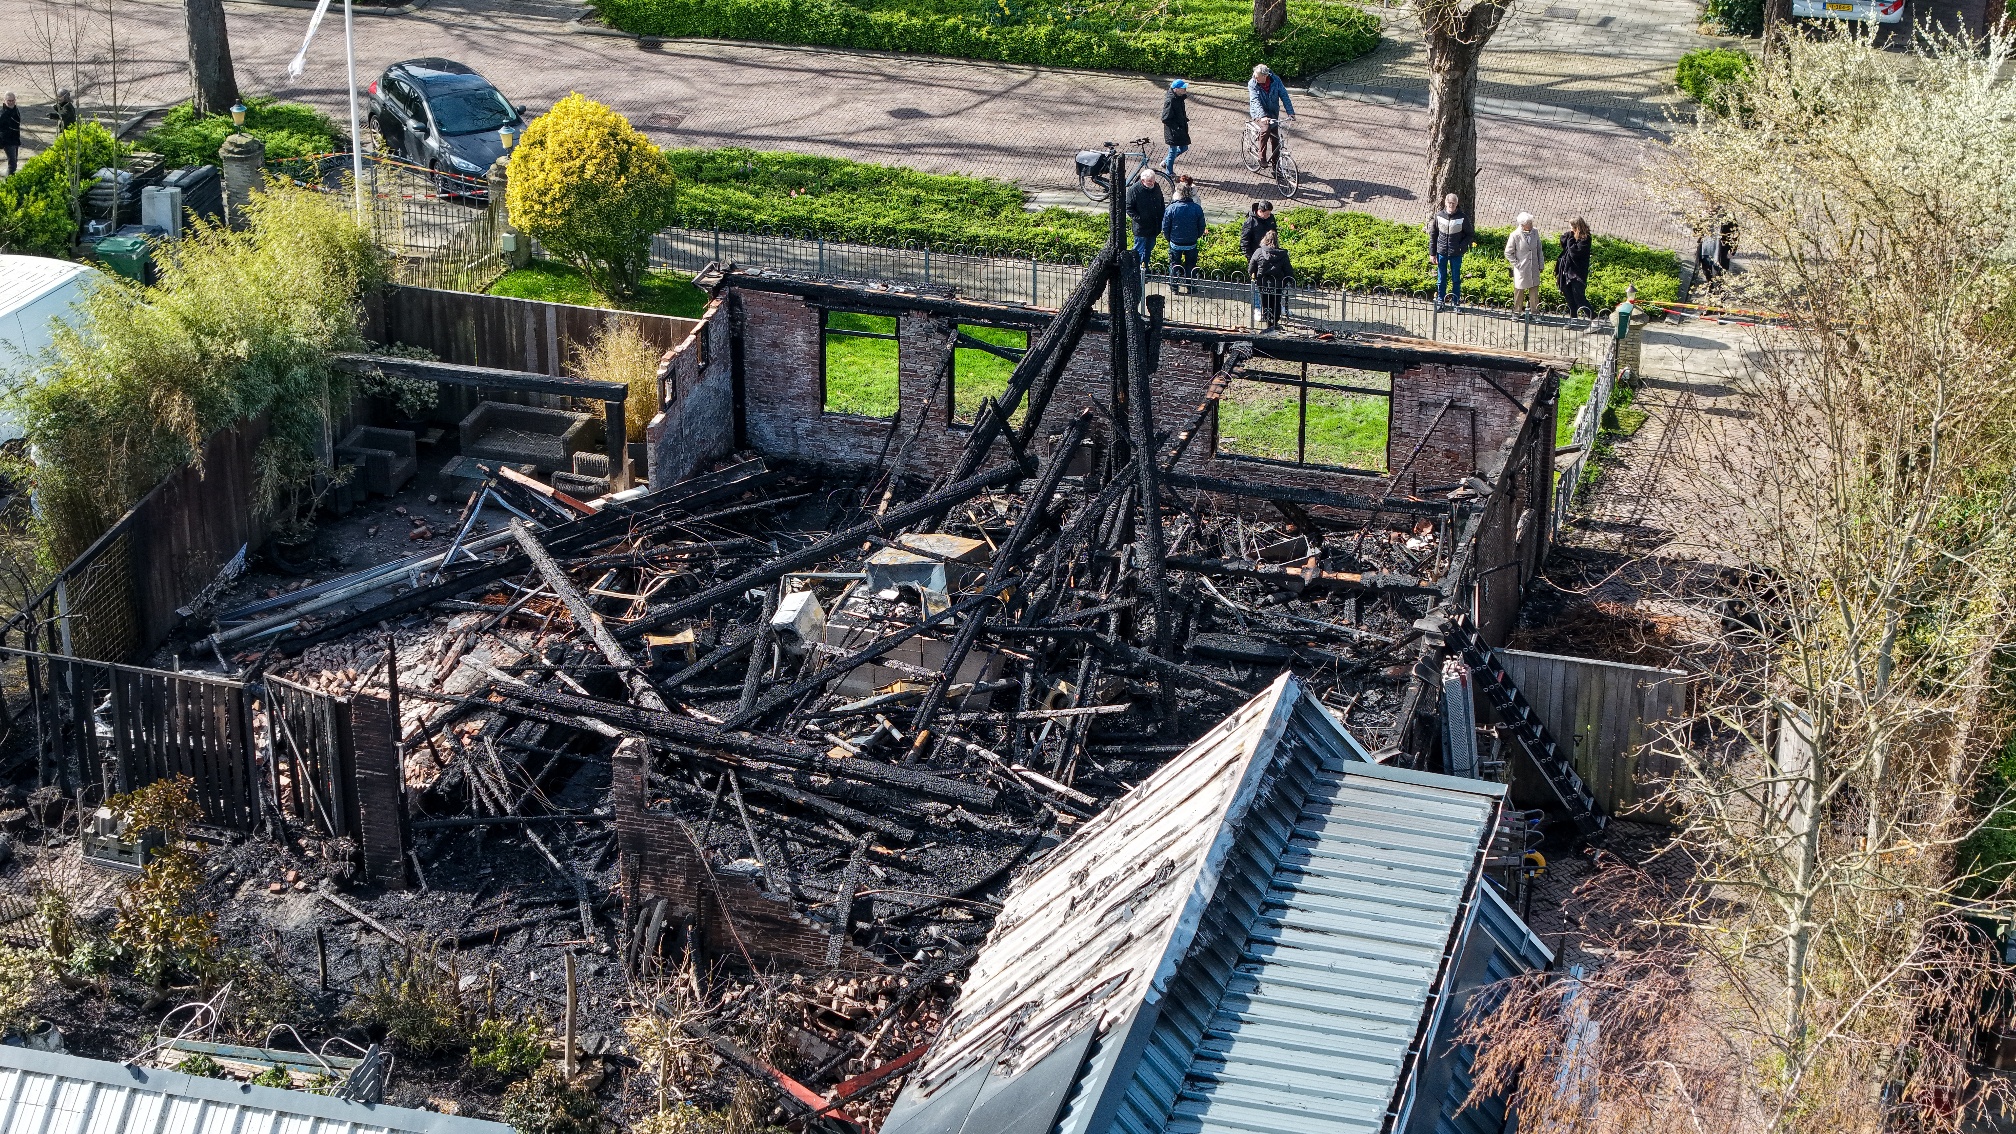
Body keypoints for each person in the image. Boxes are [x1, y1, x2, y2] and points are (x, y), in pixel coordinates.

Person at [1427, 193, 1473, 310]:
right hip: (1441, 252)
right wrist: (1432, 253)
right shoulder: (1439, 216)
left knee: (1456, 279)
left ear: (1457, 204)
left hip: (1456, 254)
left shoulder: (1462, 217)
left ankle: (1456, 302)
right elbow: (1433, 235)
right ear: (1445, 203)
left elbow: (1470, 234)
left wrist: (1461, 246)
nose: (1451, 205)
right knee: (1441, 279)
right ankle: (1440, 301)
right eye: (1449, 203)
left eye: (1453, 203)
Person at [1247, 64, 1295, 170]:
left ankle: (1275, 165)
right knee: (1266, 128)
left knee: (1275, 139)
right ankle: (1261, 157)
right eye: (1254, 75)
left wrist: (1290, 112)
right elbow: (1255, 101)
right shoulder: (1252, 83)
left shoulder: (1276, 81)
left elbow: (1284, 95)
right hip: (1258, 114)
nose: (1254, 77)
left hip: (1273, 113)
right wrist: (1262, 116)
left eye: (1256, 76)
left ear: (1265, 76)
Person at [1126, 168, 1166, 283]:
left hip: (1154, 226)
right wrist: (1140, 219)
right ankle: (1134, 272)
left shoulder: (1156, 187)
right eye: (1149, 181)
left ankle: (1144, 269)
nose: (1152, 183)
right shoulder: (1134, 190)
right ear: (1143, 180)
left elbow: (1161, 202)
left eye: (1153, 181)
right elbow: (1129, 208)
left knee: (1149, 249)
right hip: (1141, 228)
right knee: (1138, 249)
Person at [1162, 181, 1206, 282]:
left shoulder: (1171, 208)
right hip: (1191, 242)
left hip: (1175, 242)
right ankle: (1190, 285)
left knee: (1174, 265)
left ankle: (1174, 286)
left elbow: (1165, 227)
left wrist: (1169, 238)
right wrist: (1196, 236)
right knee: (1191, 265)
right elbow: (1201, 226)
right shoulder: (1197, 208)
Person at [1249, 229, 1293, 330]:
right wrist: (1288, 281)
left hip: (1263, 283)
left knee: (1265, 301)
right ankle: (1275, 322)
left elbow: (1252, 266)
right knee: (1276, 302)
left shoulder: (1259, 252)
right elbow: (1288, 270)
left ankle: (1268, 322)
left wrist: (1253, 277)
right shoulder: (1282, 254)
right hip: (1277, 284)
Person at [1240, 201, 1277, 321]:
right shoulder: (1250, 222)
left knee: (1269, 283)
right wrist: (1251, 259)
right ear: (1259, 212)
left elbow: (1274, 234)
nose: (1268, 216)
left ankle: (1269, 308)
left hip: (1270, 257)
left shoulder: (1271, 218)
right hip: (1256, 258)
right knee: (1256, 284)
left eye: (1269, 214)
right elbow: (1244, 242)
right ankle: (1257, 308)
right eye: (1266, 214)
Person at [1504, 212, 1543, 315]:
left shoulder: (1535, 232)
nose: (1531, 224)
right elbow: (1508, 252)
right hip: (1521, 268)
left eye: (1531, 221)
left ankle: (1535, 312)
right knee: (1519, 290)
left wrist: (1541, 264)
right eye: (1529, 222)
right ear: (1523, 224)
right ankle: (1517, 312)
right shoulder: (1515, 235)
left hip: (1534, 267)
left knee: (1534, 291)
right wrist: (1517, 264)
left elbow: (1539, 249)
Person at [1555, 217, 1593, 319]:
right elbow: (1562, 241)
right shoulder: (1571, 235)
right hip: (1566, 271)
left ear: (1577, 227)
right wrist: (1570, 236)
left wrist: (1571, 239)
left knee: (1579, 297)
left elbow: (1574, 252)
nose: (1570, 229)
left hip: (1577, 273)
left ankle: (1594, 319)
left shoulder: (1585, 239)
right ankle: (1573, 318)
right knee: (1569, 296)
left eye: (1572, 227)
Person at [1161, 80, 1191, 180]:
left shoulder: (1179, 98)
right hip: (1173, 131)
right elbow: (1165, 118)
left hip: (1180, 129)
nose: (1185, 90)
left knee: (1184, 148)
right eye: (1183, 88)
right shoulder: (1170, 100)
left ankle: (1166, 162)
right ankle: (1169, 172)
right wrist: (1176, 127)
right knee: (1172, 151)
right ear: (1176, 89)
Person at [0, 94, 19, 178]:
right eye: (9, 101)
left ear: (15, 100)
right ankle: (9, 184)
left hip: (15, 139)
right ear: (4, 101)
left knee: (14, 162)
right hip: (7, 141)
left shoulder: (16, 109)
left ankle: (11, 180)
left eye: (12, 100)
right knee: (12, 164)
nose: (11, 102)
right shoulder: (3, 114)